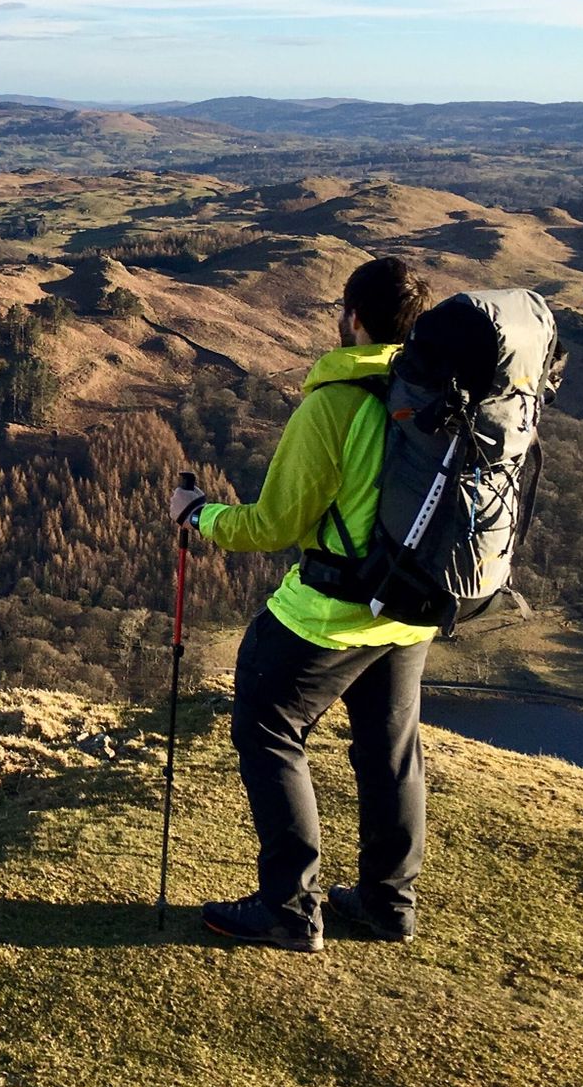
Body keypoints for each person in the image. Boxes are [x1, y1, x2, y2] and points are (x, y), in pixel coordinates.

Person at [168, 256, 436, 952]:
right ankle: (388, 904)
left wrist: (201, 517)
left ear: (353, 317)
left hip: (332, 612)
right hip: (410, 607)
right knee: (390, 750)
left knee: (267, 730)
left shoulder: (338, 401)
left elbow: (275, 525)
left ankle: (288, 909)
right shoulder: (434, 393)